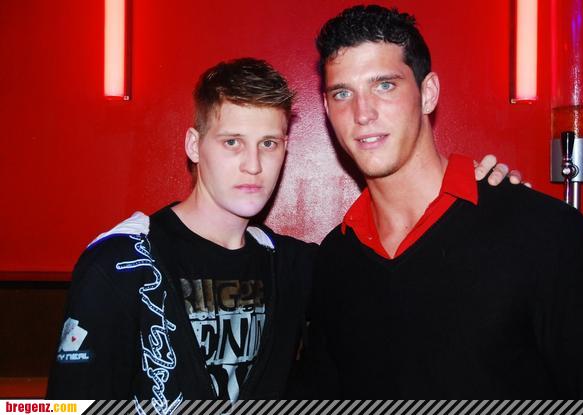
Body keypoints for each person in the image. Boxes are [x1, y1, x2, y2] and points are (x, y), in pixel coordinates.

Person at [46, 56, 515, 404]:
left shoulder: (294, 265)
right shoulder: (121, 263)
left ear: (286, 148)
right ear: (193, 145)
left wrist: (488, 192)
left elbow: (400, 290)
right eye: (233, 142)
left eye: (268, 143)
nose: (253, 164)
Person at [304, 4, 583, 398]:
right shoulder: (336, 258)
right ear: (327, 108)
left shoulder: (545, 234)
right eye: (342, 93)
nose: (362, 113)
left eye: (384, 85)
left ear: (428, 94)